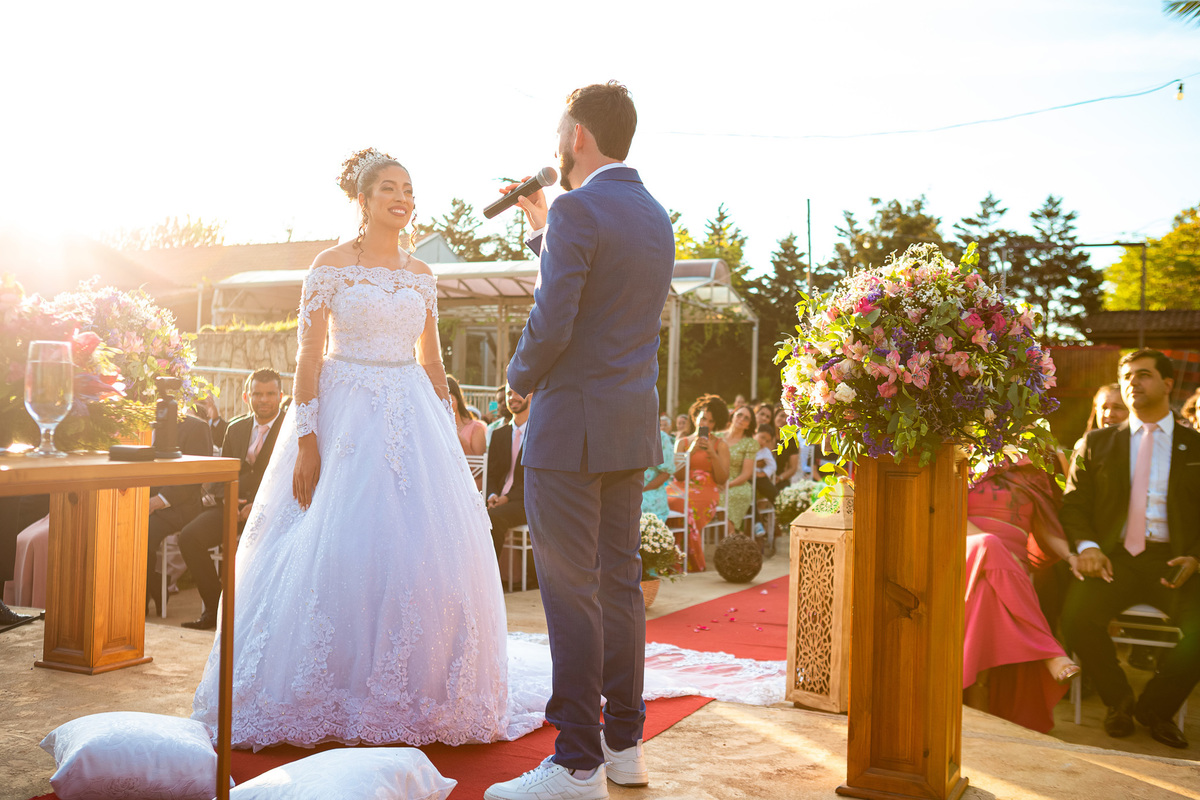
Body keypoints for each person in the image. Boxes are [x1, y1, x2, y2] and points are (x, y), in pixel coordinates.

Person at [191, 148, 507, 750]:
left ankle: (411, 691)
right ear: (362, 201)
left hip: (412, 414)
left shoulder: (421, 275)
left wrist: (445, 430)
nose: (402, 196)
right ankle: (323, 690)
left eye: (409, 188)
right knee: (333, 545)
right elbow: (308, 357)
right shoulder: (329, 266)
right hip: (343, 417)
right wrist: (307, 439)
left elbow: (433, 360)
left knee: (416, 553)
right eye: (389, 187)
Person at [488, 82, 676, 800]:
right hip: (629, 426)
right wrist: (543, 231)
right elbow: (601, 296)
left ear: (576, 138)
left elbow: (557, 316)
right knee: (620, 588)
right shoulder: (652, 213)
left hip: (569, 427)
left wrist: (517, 379)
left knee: (570, 594)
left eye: (560, 127)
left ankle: (574, 763)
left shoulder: (578, 207)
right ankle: (625, 747)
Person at [1060, 349, 1200, 749]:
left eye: (1144, 375)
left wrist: (1196, 557)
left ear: (1168, 384)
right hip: (1112, 561)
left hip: (1174, 562)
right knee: (1077, 618)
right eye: (1126, 376)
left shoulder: (1197, 446)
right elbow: (1073, 506)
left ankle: (1156, 709)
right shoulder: (1095, 443)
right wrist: (1087, 546)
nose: (1133, 383)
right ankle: (1118, 701)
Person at [962, 459, 1078, 733]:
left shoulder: (1033, 472)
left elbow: (1046, 528)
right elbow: (948, 511)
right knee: (990, 544)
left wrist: (1071, 557)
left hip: (1008, 571)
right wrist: (999, 549)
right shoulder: (959, 459)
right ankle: (1050, 652)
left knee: (987, 592)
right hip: (963, 550)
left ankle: (975, 697)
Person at [175, 369, 286, 630]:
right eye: (257, 393)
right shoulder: (235, 428)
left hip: (271, 511)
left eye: (270, 394)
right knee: (189, 537)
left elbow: (287, 478)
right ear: (247, 396)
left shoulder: (289, 432)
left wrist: (257, 506)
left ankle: (254, 618)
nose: (264, 399)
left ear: (280, 396)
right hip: (231, 508)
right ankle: (216, 611)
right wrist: (229, 500)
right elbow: (223, 475)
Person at [144, 409, 213, 616]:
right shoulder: (133, 422)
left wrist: (159, 501)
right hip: (140, 499)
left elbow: (195, 475)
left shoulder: (196, 427)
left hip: (180, 507)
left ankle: (139, 597)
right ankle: (154, 582)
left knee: (142, 530)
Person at [668, 395, 731, 572]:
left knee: (688, 506)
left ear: (715, 424)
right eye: (703, 418)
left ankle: (685, 561)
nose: (705, 424)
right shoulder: (682, 442)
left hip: (707, 489)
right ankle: (668, 557)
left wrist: (712, 452)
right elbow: (678, 476)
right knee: (667, 500)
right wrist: (689, 452)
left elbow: (722, 478)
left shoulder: (721, 445)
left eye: (710, 421)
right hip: (681, 486)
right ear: (695, 417)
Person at [487, 384, 531, 563]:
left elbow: (535, 478)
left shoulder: (539, 432)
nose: (512, 397)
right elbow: (491, 473)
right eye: (508, 394)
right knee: (469, 515)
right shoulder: (499, 435)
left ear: (530, 394)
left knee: (492, 518)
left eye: (518, 392)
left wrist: (508, 498)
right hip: (498, 501)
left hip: (527, 502)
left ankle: (490, 578)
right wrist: (492, 494)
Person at [718, 404, 758, 536]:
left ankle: (731, 536)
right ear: (733, 416)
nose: (741, 419)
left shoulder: (750, 443)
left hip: (737, 483)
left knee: (724, 495)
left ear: (748, 425)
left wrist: (728, 484)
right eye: (739, 415)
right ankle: (733, 537)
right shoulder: (715, 436)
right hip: (716, 479)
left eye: (746, 418)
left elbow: (746, 474)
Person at [448, 374, 487, 457]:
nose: (445, 406)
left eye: (449, 400)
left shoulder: (476, 428)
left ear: (458, 398)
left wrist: (459, 438)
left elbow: (478, 467)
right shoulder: (435, 428)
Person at [642, 427, 675, 522]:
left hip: (650, 491)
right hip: (628, 489)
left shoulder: (661, 437)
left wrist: (641, 489)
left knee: (633, 505)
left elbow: (665, 474)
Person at [772, 407, 800, 488]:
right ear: (775, 417)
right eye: (781, 416)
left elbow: (793, 468)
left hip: (780, 479)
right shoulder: (767, 435)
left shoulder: (791, 441)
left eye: (787, 417)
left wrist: (780, 478)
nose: (784, 420)